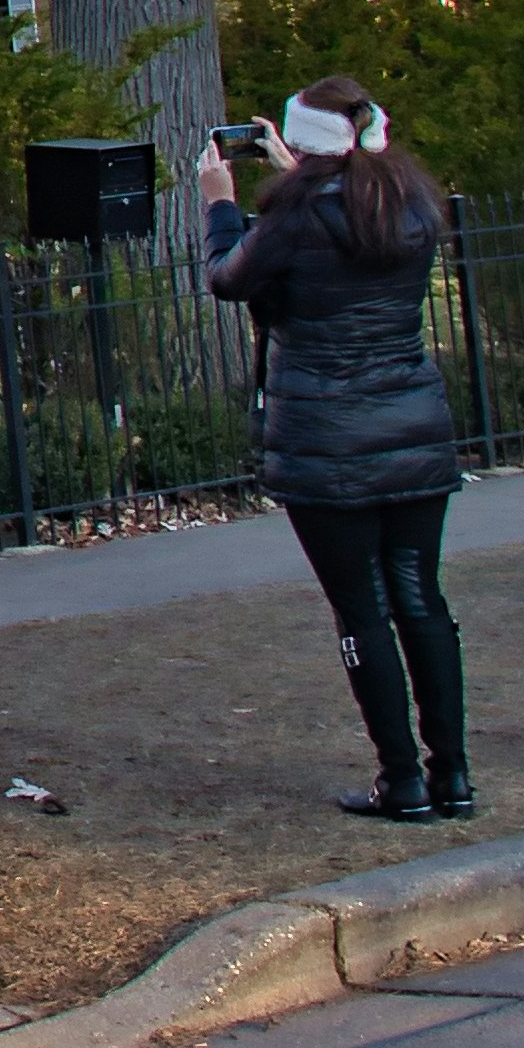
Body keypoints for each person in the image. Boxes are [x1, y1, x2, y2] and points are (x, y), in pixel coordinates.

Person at [200, 81, 474, 822]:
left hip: (325, 440)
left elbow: (229, 278)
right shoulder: (411, 203)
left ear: (304, 144)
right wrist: (303, 171)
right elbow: (345, 217)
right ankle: (452, 774)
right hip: (412, 429)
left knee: (362, 611)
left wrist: (221, 204)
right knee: (422, 600)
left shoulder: (294, 218)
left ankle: (402, 778)